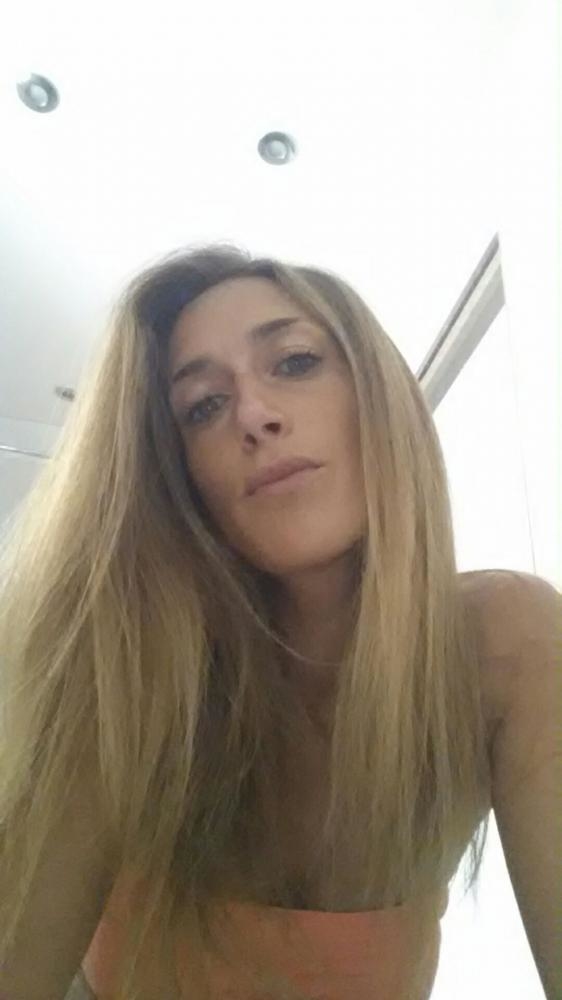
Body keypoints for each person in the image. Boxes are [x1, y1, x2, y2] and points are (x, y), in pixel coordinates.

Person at [0, 243, 496, 999]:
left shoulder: (498, 644)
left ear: (378, 392)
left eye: (294, 362)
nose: (255, 416)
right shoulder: (131, 678)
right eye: (203, 406)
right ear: (182, 478)